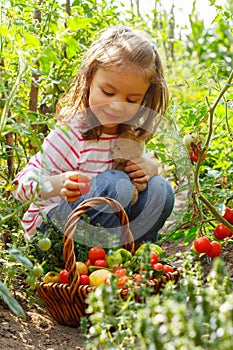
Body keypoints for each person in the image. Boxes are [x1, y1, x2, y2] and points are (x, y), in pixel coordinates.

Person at [13, 25, 174, 247]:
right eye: (108, 92)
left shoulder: (129, 135)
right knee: (115, 183)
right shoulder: (70, 134)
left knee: (160, 189)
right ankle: (86, 261)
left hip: (102, 233)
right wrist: (57, 184)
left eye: (131, 100)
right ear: (89, 79)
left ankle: (135, 257)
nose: (117, 106)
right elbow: (19, 188)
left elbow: (140, 186)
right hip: (51, 235)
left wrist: (149, 169)